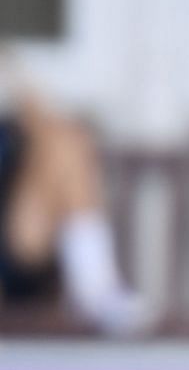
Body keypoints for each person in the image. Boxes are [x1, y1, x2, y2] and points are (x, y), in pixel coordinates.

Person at [0, 49, 152, 336]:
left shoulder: (21, 128)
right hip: (21, 247)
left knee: (66, 142)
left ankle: (95, 290)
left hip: (24, 241)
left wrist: (13, 73)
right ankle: (94, 289)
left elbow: (35, 111)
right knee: (63, 143)